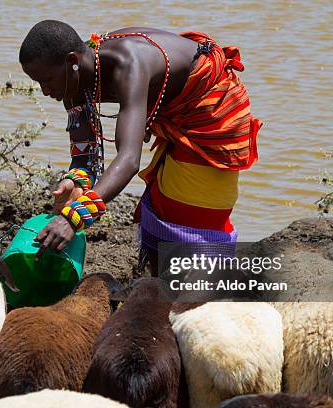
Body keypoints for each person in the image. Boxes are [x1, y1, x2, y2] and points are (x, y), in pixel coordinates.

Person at [20, 20, 261, 276]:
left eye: (46, 80)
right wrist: (77, 182)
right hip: (173, 112)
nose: (44, 90)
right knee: (161, 212)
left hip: (211, 115)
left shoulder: (128, 66)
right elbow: (85, 155)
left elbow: (129, 159)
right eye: (37, 82)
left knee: (192, 221)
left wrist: (73, 217)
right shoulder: (72, 81)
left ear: (71, 61)